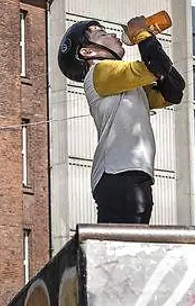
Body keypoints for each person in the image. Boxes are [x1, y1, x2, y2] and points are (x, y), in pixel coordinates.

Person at [57, 15, 186, 224]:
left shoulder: (126, 82)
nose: (114, 35)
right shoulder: (100, 71)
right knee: (125, 245)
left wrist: (148, 39)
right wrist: (142, 34)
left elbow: (174, 91)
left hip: (130, 172)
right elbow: (157, 67)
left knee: (127, 245)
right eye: (102, 34)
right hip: (119, 172)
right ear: (87, 51)